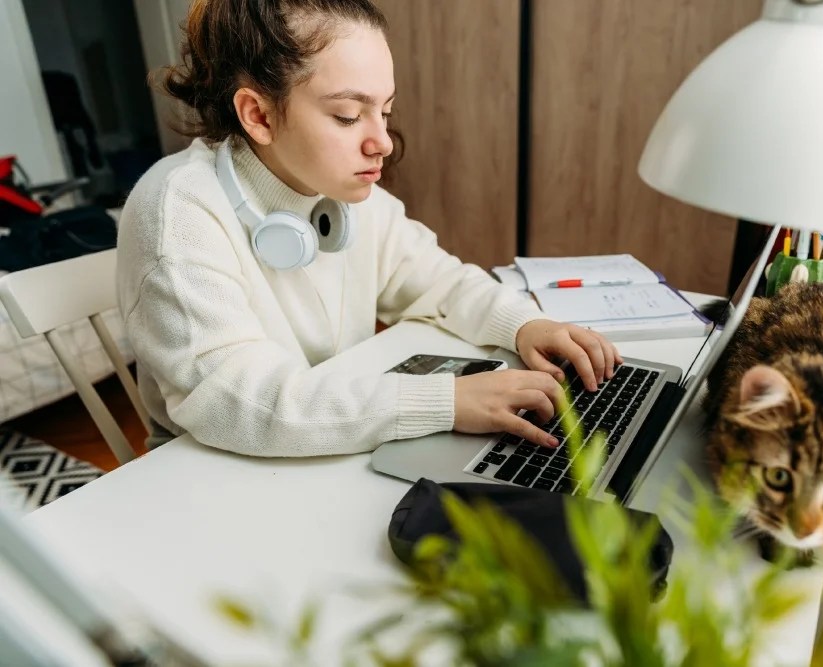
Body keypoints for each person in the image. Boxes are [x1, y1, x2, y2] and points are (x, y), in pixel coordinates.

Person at [117, 0, 621, 456]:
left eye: (385, 111)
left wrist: (523, 324)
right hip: (211, 471)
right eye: (347, 115)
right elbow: (240, 402)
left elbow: (436, 279)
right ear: (259, 115)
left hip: (332, 442)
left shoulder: (339, 188)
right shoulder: (176, 213)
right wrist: (442, 401)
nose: (381, 140)